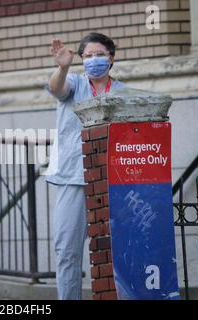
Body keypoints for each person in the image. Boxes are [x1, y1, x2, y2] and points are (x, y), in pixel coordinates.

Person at [46, 33, 126, 300]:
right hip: (73, 178)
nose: (94, 60)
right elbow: (56, 89)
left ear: (111, 58)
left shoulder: (123, 92)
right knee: (67, 250)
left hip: (112, 180)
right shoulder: (74, 83)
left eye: (100, 54)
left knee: (117, 249)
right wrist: (63, 66)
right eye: (88, 56)